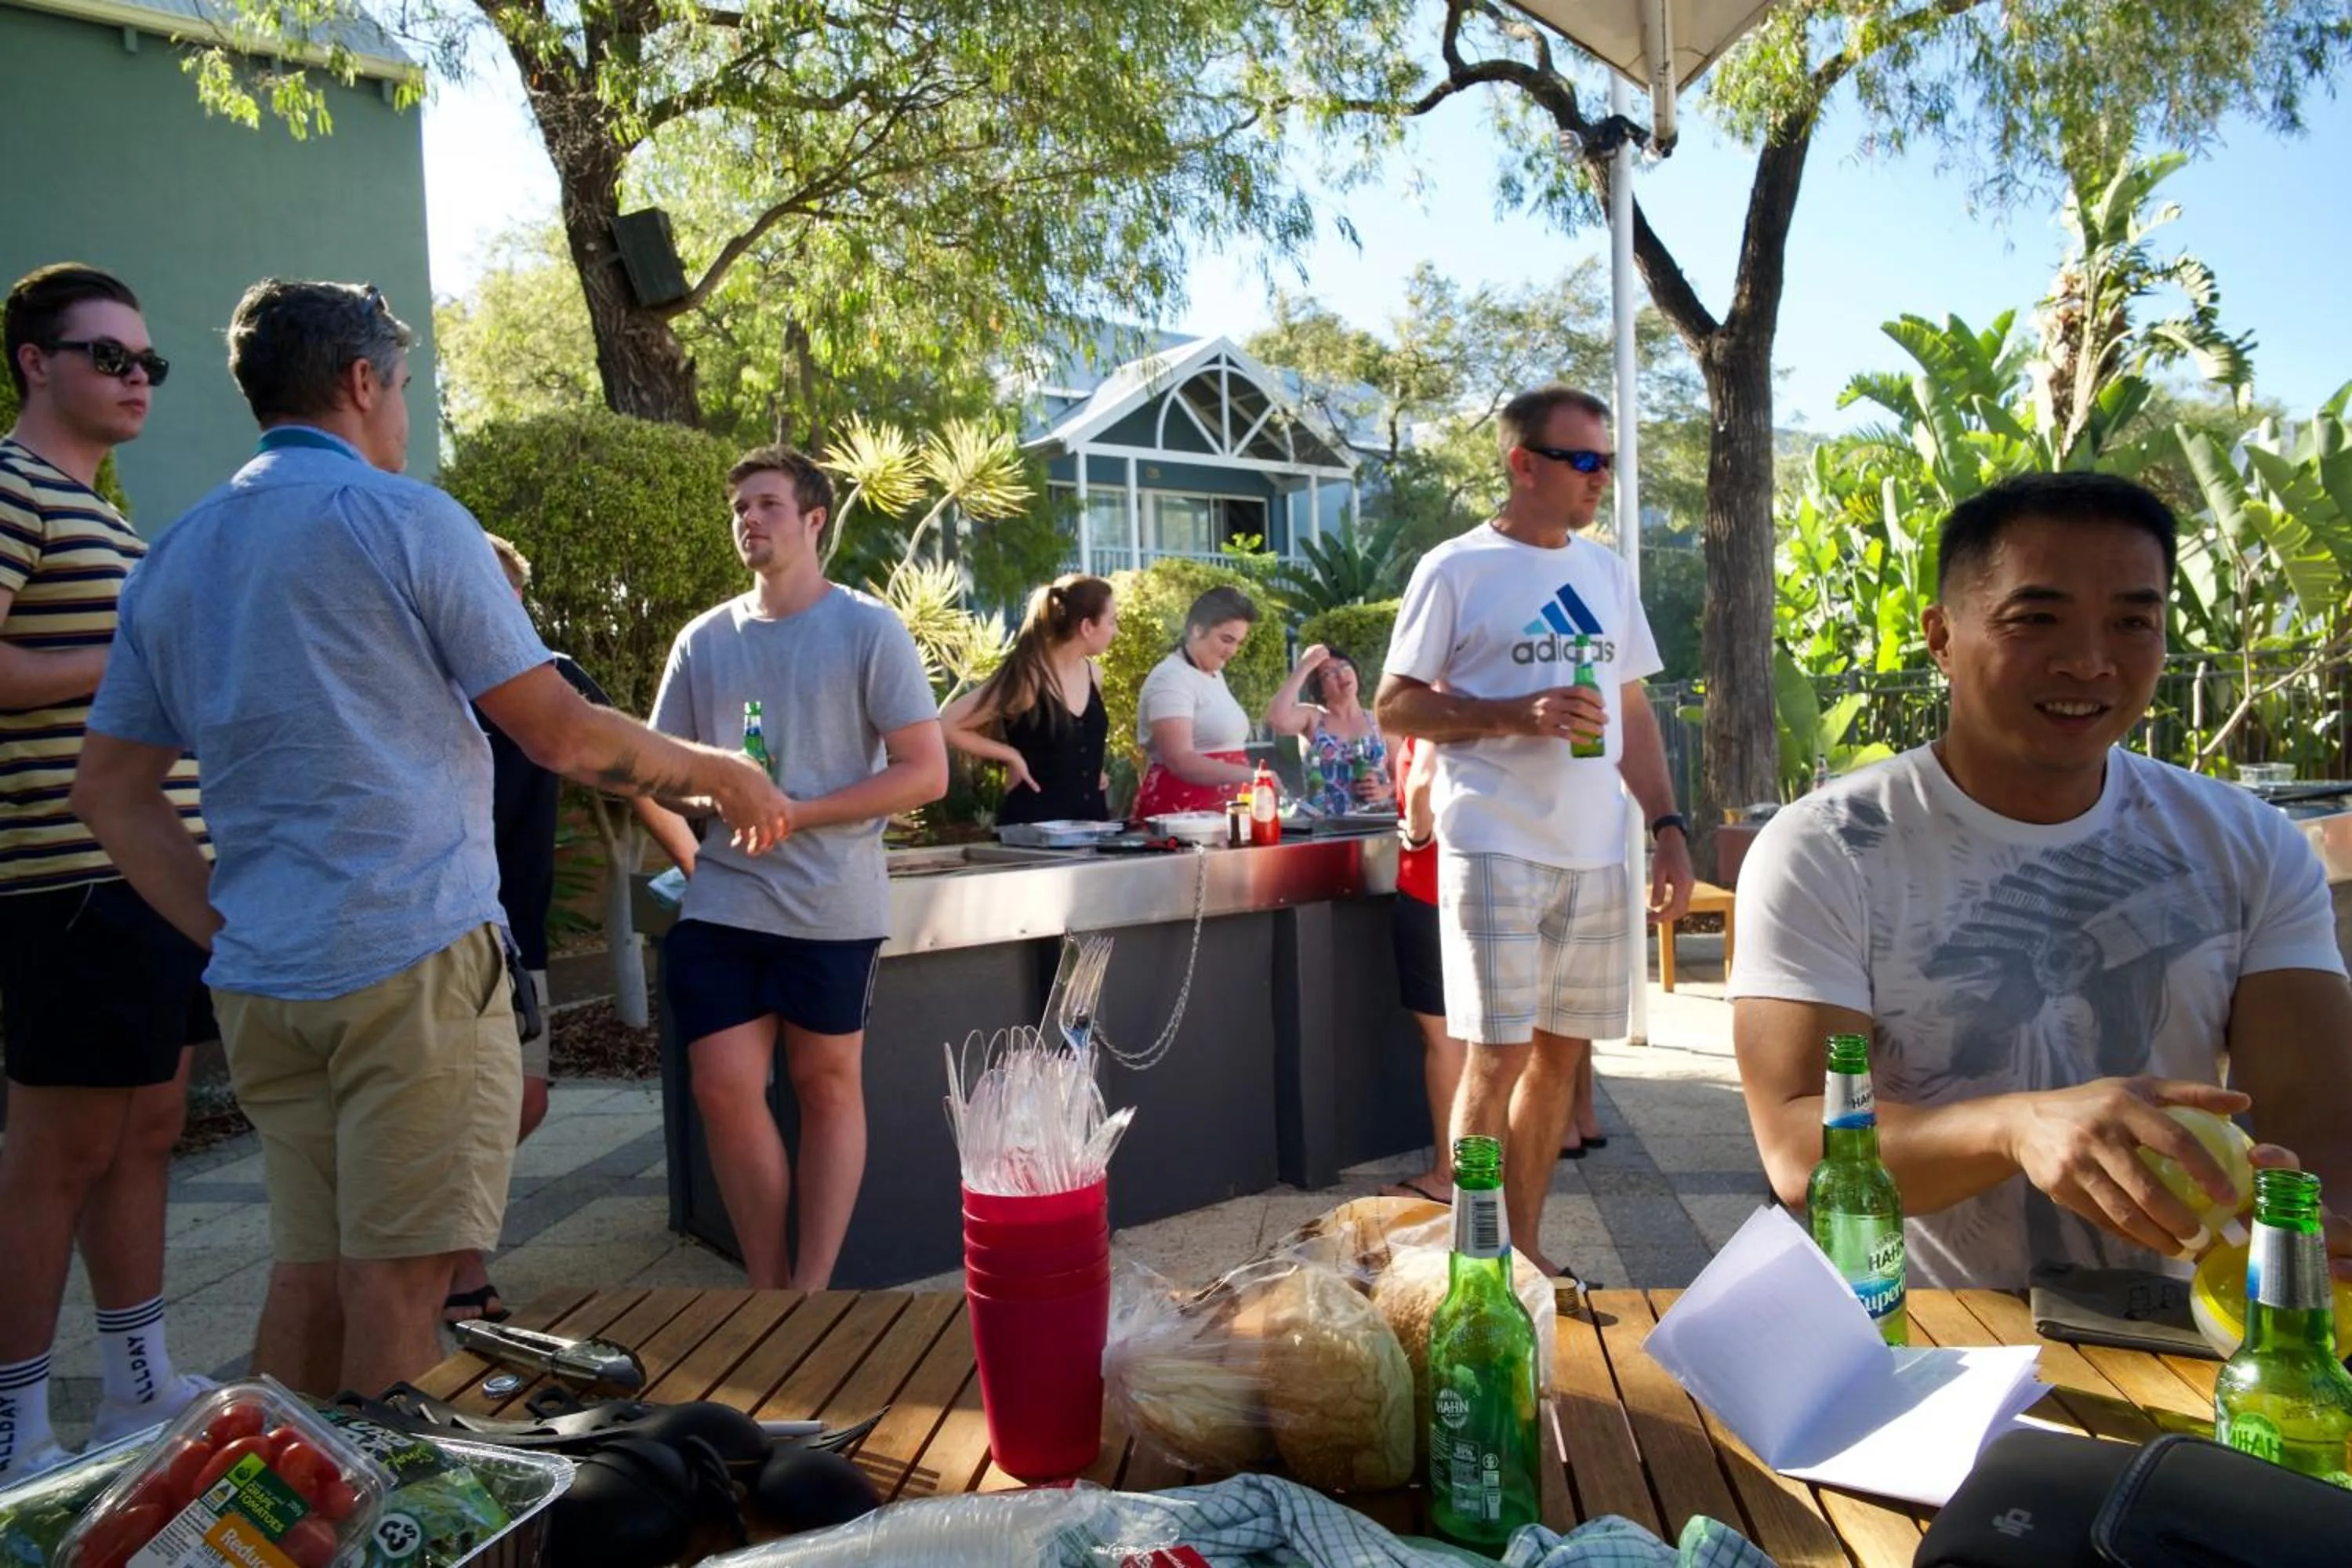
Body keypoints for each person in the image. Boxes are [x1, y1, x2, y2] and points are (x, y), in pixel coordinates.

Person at [72, 278, 792, 1399]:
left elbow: (110, 791)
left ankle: (277, 1526)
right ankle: (391, 1537)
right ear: (362, 383)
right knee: (401, 1296)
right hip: (409, 963)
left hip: (267, 984)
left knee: (310, 1275)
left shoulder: (177, 555)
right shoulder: (404, 520)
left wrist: (224, 926)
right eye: (402, 386)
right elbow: (558, 734)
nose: (405, 412)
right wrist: (716, 772)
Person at [1730, 470, 2352, 1290]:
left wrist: (2311, 1248)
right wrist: (2017, 1127)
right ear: (1942, 637)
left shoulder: (2250, 842)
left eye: (2133, 621)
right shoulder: (1829, 847)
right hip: (1930, 1338)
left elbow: (2316, 1131)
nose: (2091, 661)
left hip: (2192, 1330)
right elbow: (1800, 1142)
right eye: (2037, 618)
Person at [1376, 385, 1694, 1278]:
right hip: (1495, 841)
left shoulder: (1605, 572)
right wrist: (1520, 712)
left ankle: (1524, 1252)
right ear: (1524, 464)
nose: (1601, 479)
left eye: (1608, 463)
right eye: (1583, 460)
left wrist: (1666, 824)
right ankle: (1476, 1264)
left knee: (1559, 1059)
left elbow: (1631, 707)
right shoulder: (1457, 568)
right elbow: (1396, 703)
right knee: (1496, 1055)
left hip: (1598, 850)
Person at [0, 265, 212, 1479]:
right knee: (54, 1154)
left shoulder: (96, 506)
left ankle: (139, 1389)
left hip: (150, 877)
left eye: (149, 363)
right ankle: (16, 1432)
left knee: (148, 1128)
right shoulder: (11, 484)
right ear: (37, 361)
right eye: (110, 357)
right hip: (65, 875)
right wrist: (129, 652)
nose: (137, 378)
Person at [652, 445, 948, 1291]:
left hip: (831, 904)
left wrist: (796, 810)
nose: (749, 519)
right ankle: (769, 1283)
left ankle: (808, 1292)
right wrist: (711, 817)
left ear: (814, 518)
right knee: (722, 1084)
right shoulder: (703, 640)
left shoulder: (867, 627)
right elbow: (660, 769)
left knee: (825, 1085)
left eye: (768, 504)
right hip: (726, 903)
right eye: (740, 507)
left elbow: (926, 771)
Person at [443, 535, 702, 1326]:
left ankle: (442, 1245)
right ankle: (456, 1263)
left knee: (523, 1102)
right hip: (442, 930)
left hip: (520, 932)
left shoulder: (546, 676)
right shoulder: (425, 682)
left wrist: (698, 859)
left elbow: (630, 770)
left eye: (502, 595)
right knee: (467, 1103)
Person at [941, 574, 1116, 824]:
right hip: (1034, 831)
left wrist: (1090, 767)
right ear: (1087, 627)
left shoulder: (1093, 674)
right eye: (1112, 622)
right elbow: (947, 723)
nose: (1116, 631)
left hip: (1091, 827)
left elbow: (1076, 743)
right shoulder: (1029, 679)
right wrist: (1011, 755)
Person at [1379, 735, 1465, 1206]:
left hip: (1431, 888)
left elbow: (1422, 784)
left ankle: (1446, 1176)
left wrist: (1415, 836)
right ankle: (1482, 1165)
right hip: (1480, 888)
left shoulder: (1434, 705)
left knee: (1442, 1035)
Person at [1131, 586, 1261, 819]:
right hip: (1182, 814)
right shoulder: (1170, 678)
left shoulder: (1213, 673)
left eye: (1238, 643)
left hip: (1219, 813)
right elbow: (1180, 760)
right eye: (1226, 640)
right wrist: (1252, 776)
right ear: (1197, 629)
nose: (1232, 651)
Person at [1268, 644, 1393, 816]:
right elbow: (1277, 719)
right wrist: (1304, 666)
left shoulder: (1381, 720)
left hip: (1375, 823)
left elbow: (1403, 771)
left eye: (1344, 666)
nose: (1341, 675)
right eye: (1329, 674)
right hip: (1323, 826)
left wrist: (1385, 790)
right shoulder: (1313, 717)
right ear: (1320, 689)